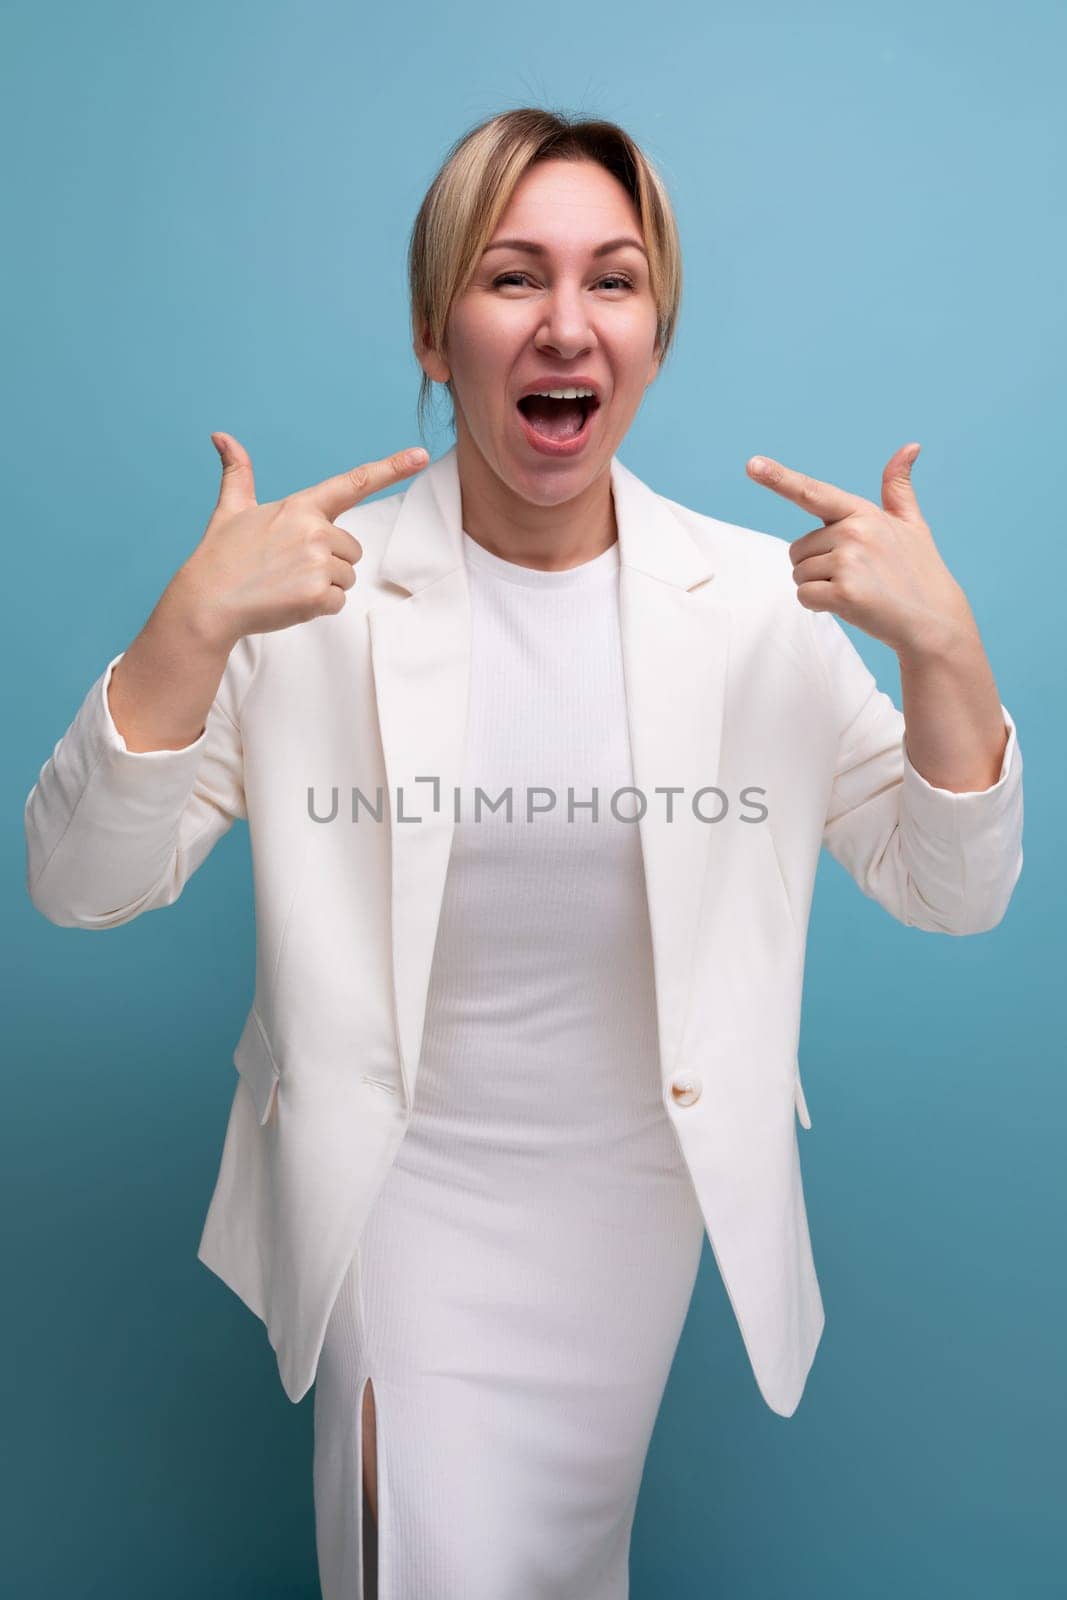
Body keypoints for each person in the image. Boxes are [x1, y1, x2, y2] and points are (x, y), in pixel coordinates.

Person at [23, 108, 1024, 1600]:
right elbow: (78, 884)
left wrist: (949, 654)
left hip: (632, 1215)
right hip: (395, 1201)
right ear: (437, 334)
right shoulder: (311, 602)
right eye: (512, 279)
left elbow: (954, 892)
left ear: (656, 335)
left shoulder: (756, 606)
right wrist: (185, 633)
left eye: (613, 281)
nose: (567, 324)